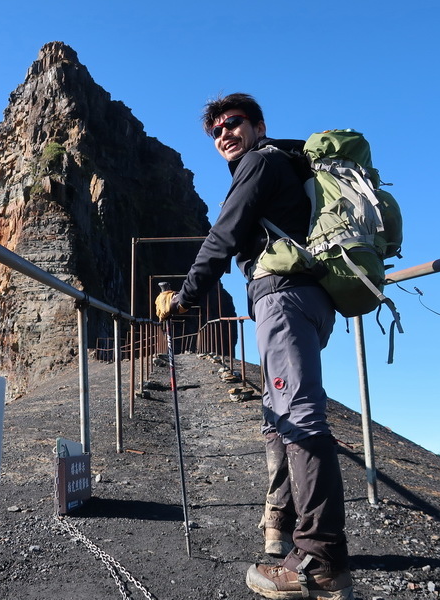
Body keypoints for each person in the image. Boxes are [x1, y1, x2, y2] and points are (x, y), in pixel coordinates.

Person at [155, 93, 353, 600]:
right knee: (277, 413)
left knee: (300, 416)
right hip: (300, 298)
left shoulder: (260, 164)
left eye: (233, 123)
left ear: (258, 126)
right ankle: (280, 528)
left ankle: (321, 560)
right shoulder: (282, 166)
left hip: (284, 299)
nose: (224, 133)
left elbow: (222, 237)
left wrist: (182, 299)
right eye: (216, 129)